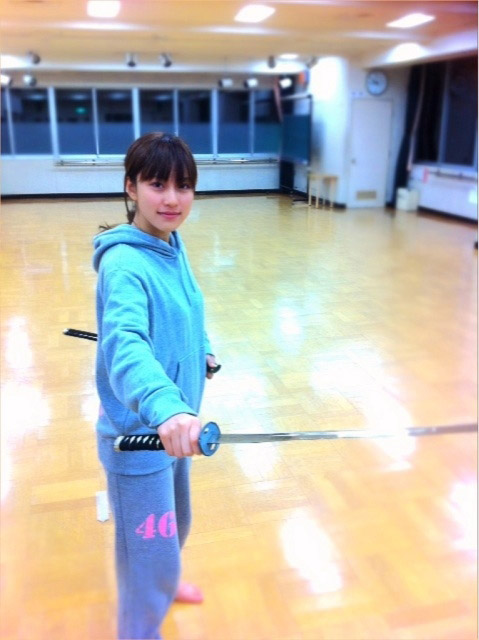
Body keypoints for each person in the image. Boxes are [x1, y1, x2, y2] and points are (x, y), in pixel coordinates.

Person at [93, 132, 219, 640]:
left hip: (175, 425)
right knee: (147, 556)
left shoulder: (169, 244)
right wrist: (165, 407)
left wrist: (203, 347)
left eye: (183, 186)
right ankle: (140, 626)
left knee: (175, 527)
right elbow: (125, 347)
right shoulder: (125, 263)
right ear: (131, 187)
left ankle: (164, 583)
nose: (172, 199)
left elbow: (187, 305)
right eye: (157, 184)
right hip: (141, 435)